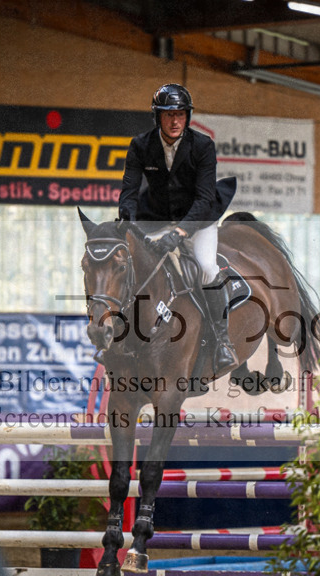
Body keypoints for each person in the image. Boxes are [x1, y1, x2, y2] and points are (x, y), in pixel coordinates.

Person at [118, 83, 238, 375]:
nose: (175, 121)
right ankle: (116, 335)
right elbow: (129, 192)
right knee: (127, 264)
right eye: (169, 114)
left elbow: (204, 199)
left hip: (198, 219)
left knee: (206, 267)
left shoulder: (203, 146)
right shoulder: (140, 145)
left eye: (181, 114)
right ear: (158, 117)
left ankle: (222, 341)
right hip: (157, 218)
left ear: (187, 116)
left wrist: (181, 232)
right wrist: (128, 223)